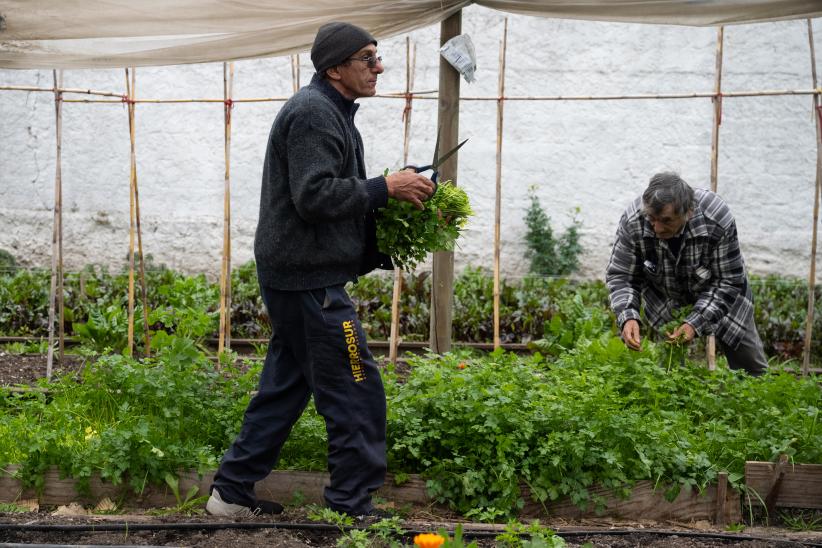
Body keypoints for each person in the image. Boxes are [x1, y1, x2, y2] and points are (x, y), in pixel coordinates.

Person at [206, 21, 436, 519]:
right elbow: (313, 196)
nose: (378, 67)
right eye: (367, 59)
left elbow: (329, 189)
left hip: (300, 276)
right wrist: (384, 187)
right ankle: (351, 506)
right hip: (309, 282)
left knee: (285, 388)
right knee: (357, 388)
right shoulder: (314, 114)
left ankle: (230, 493)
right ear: (335, 68)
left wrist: (390, 194)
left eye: (377, 57)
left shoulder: (331, 111)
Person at [605, 172, 768, 376]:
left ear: (688, 212)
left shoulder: (716, 217)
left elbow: (728, 280)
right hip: (666, 300)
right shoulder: (633, 220)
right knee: (668, 373)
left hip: (723, 297)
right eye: (652, 219)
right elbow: (621, 276)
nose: (657, 228)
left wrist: (694, 322)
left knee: (751, 367)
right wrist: (627, 316)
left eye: (666, 220)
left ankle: (756, 396)